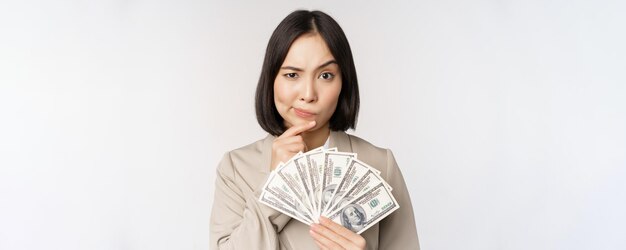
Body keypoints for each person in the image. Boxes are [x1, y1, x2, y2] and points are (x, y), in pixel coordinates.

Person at [209, 10, 420, 250]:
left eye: (325, 75)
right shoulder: (236, 169)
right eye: (292, 75)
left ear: (344, 82)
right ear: (271, 80)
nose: (308, 94)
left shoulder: (381, 164)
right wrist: (275, 183)